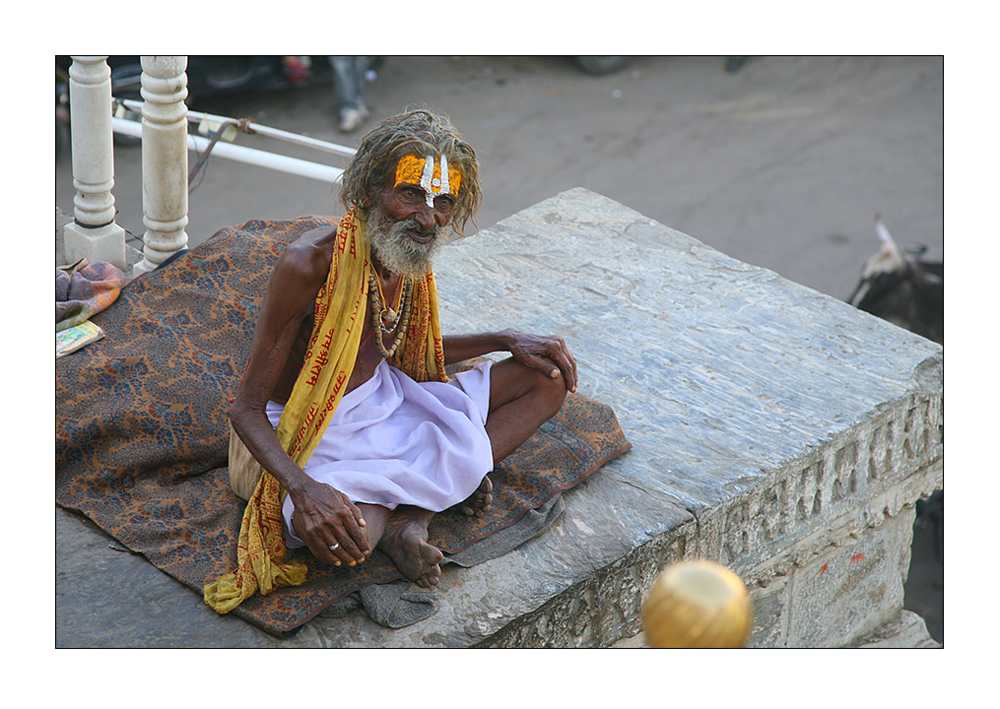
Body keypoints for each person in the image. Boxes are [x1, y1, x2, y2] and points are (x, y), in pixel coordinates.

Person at [206, 110, 577, 612]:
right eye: (410, 195)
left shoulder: (407, 257)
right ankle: (426, 495)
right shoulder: (309, 264)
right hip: (308, 431)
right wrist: (306, 489)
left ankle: (412, 516)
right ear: (369, 190)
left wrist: (505, 339)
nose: (427, 218)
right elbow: (244, 409)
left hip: (387, 400)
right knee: (349, 539)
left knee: (546, 378)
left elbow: (403, 348)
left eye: (443, 203)